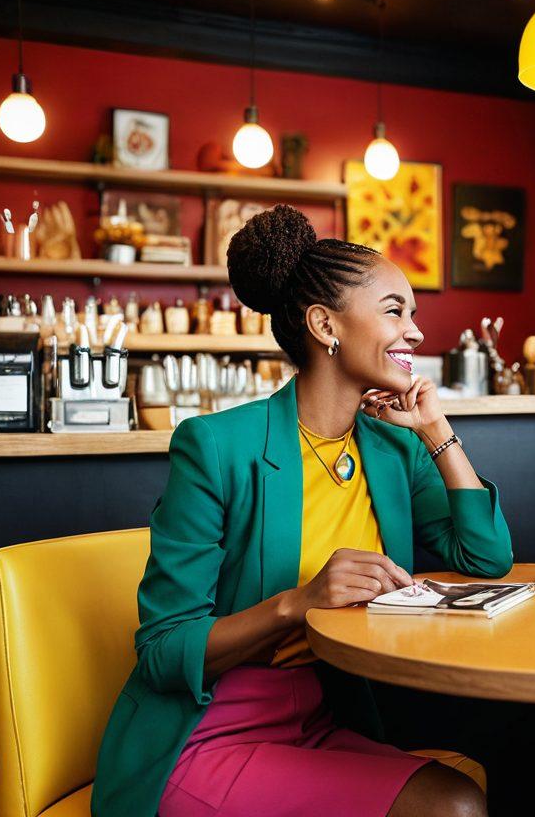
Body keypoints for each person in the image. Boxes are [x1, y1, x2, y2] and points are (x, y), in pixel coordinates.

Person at [93, 205, 512, 817]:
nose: (416, 333)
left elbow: (487, 557)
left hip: (319, 717)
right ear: (324, 324)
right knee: (454, 805)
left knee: (460, 794)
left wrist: (436, 431)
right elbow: (163, 648)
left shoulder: (394, 448)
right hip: (207, 733)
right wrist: (298, 601)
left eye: (413, 314)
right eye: (395, 311)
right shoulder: (217, 447)